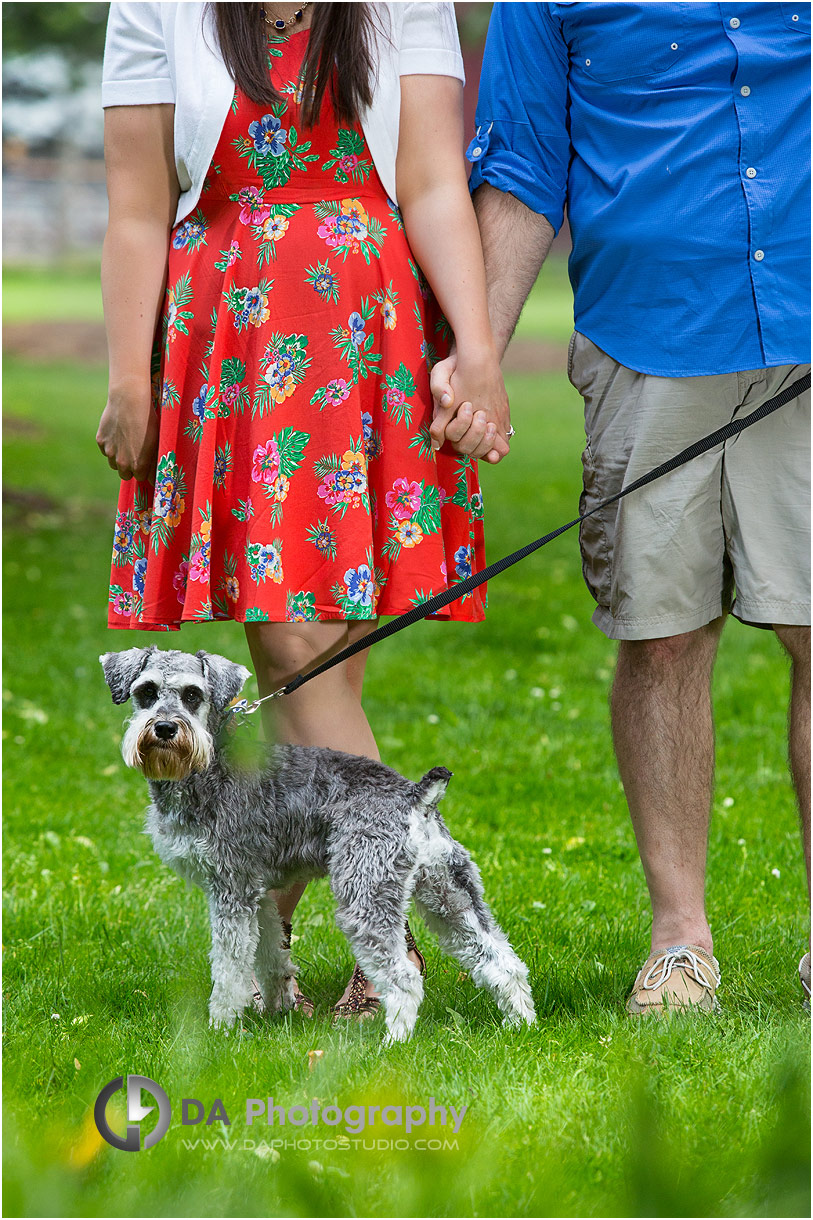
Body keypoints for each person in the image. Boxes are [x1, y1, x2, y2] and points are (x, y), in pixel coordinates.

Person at [96, 0, 511, 1018]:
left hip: (365, 333)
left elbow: (428, 184)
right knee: (293, 654)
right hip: (231, 336)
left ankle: (331, 940)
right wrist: (129, 378)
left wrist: (480, 349)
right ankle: (381, 945)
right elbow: (138, 204)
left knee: (311, 670)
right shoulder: (152, 5)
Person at [431, 2, 811, 1014]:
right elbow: (520, 160)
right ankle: (680, 941)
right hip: (646, 332)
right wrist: (481, 357)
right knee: (662, 636)